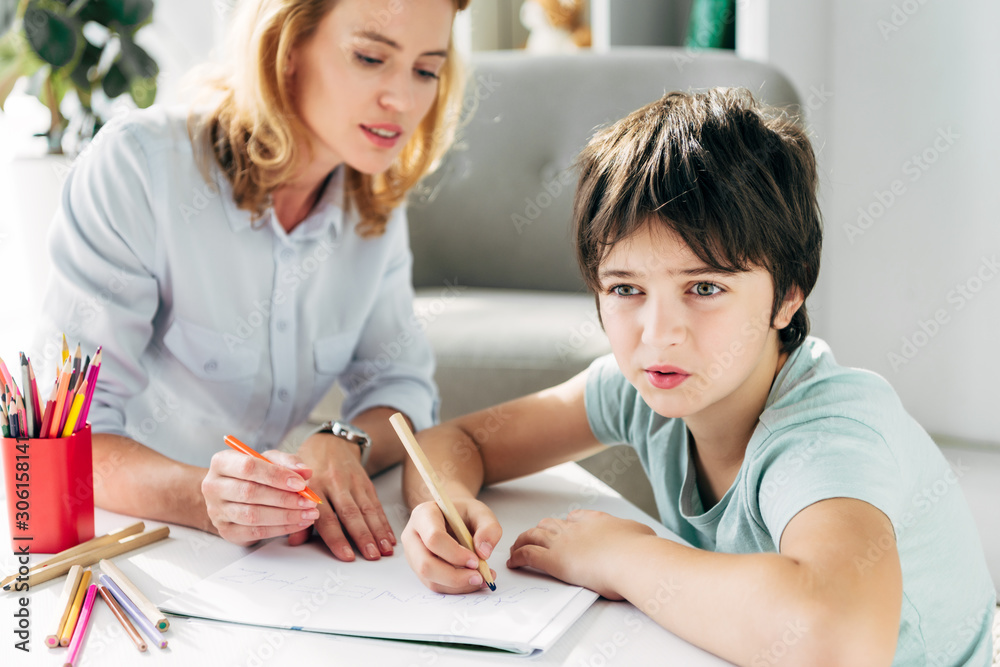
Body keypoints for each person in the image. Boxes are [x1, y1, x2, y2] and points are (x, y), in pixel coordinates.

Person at [401, 88, 995, 665]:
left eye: (704, 288)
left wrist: (622, 557)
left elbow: (838, 643)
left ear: (787, 296)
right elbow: (458, 442)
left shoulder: (827, 434)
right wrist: (444, 507)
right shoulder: (646, 382)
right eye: (626, 289)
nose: (658, 334)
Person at [37, 0, 470, 563]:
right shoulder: (138, 169)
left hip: (268, 556)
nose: (404, 101)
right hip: (128, 549)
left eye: (425, 70)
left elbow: (401, 387)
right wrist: (205, 499)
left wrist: (343, 441)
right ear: (286, 48)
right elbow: (67, 440)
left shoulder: (372, 200)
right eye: (369, 57)